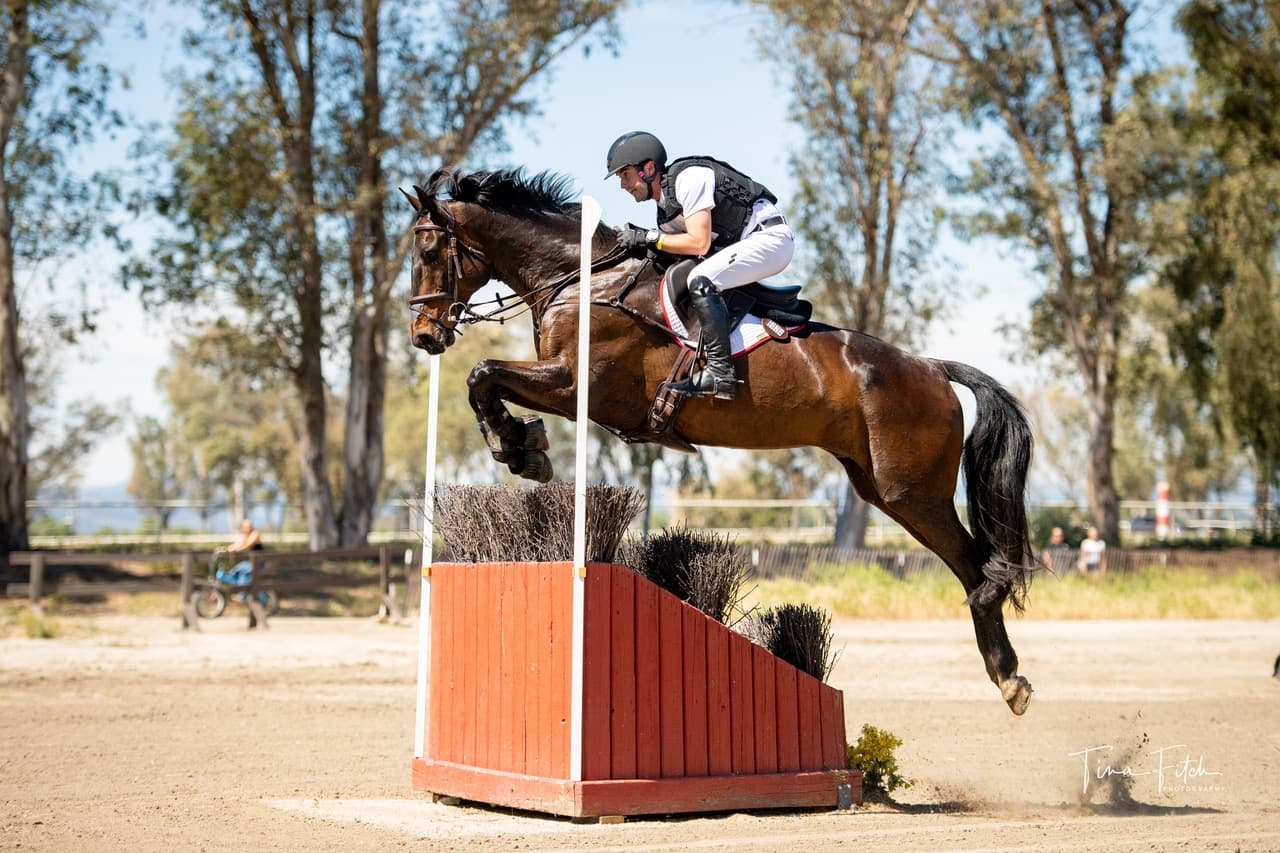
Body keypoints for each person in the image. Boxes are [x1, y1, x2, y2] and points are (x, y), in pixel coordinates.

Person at [605, 130, 796, 401]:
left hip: (770, 238)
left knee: (701, 279)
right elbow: (676, 249)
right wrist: (644, 242)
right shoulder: (664, 212)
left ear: (648, 169)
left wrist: (649, 237)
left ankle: (721, 372)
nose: (623, 185)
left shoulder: (688, 179)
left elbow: (698, 243)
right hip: (747, 244)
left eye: (625, 175)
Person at [216, 518, 264, 588]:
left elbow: (247, 544)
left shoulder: (255, 534)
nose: (249, 528)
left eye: (250, 526)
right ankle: (241, 594)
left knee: (239, 568)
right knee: (242, 576)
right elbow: (237, 544)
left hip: (258, 564)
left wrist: (236, 549)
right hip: (250, 563)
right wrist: (224, 549)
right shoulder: (245, 536)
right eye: (247, 526)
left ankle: (240, 592)